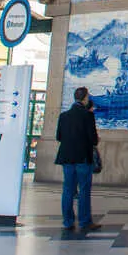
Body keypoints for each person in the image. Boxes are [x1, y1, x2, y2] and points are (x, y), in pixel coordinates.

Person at [54, 88, 99, 231]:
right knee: (84, 190)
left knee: (68, 189)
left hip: (67, 157)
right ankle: (84, 221)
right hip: (83, 157)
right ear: (85, 98)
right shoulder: (88, 115)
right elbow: (93, 139)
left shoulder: (64, 116)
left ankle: (68, 221)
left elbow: (58, 137)